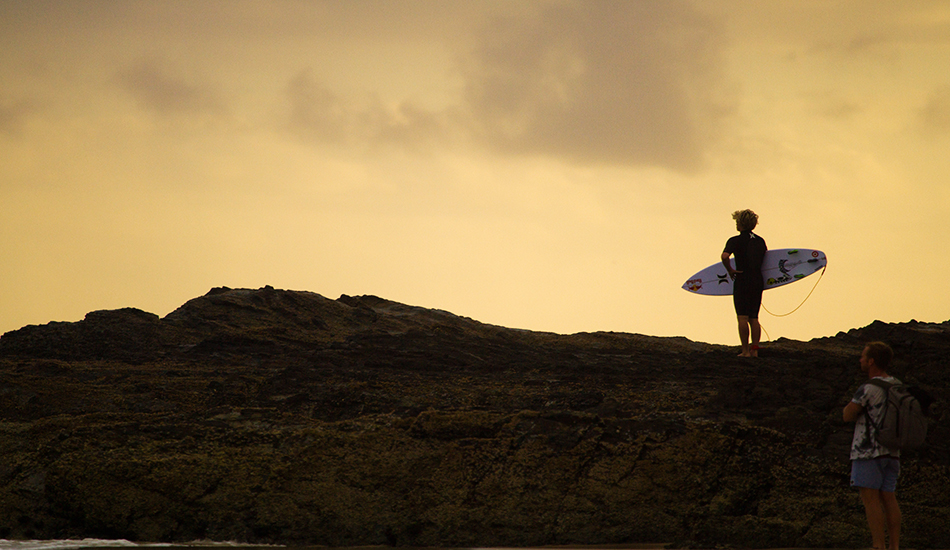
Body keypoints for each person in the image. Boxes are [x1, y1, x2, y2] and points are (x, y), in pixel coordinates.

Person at [843, 341, 902, 550]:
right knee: (889, 497)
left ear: (871, 361)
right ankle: (894, 546)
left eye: (863, 356)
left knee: (871, 500)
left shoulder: (868, 388)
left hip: (868, 451)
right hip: (892, 451)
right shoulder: (898, 385)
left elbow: (848, 414)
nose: (860, 360)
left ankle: (878, 545)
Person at [721, 209, 767, 357]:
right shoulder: (760, 241)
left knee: (742, 317)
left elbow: (724, 256)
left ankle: (745, 351)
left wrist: (730, 270)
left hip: (742, 279)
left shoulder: (735, 240)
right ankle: (755, 351)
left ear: (740, 224)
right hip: (757, 280)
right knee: (754, 318)